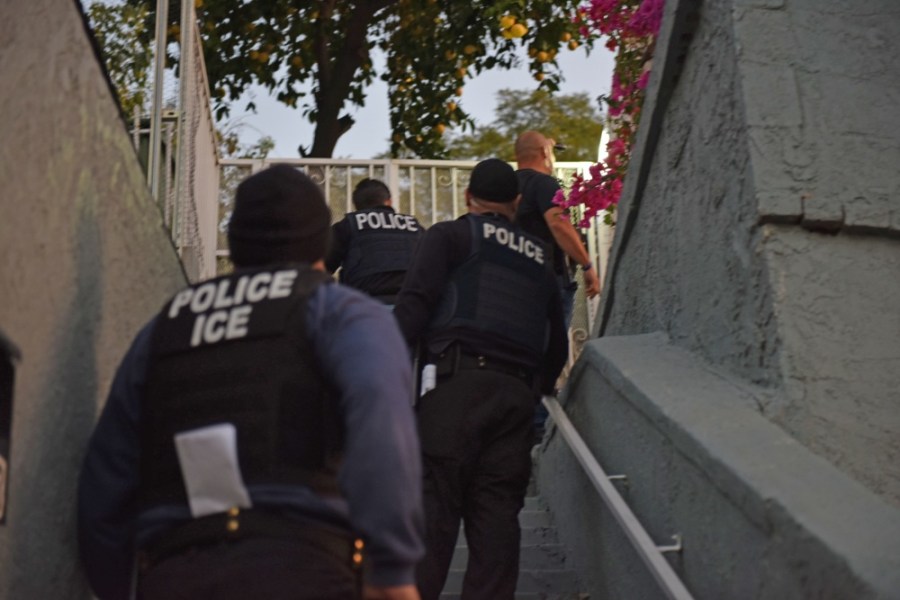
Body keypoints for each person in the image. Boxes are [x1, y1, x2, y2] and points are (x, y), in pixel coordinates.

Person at [78, 165, 424, 600]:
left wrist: (118, 587)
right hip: (306, 567)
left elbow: (105, 480)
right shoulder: (341, 313)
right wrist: (391, 571)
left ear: (236, 243)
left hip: (173, 571)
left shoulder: (166, 327)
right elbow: (382, 426)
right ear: (322, 244)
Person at [393, 158, 568, 600]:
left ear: (469, 196)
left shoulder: (450, 236)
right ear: (517, 201)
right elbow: (557, 347)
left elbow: (413, 307)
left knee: (432, 522)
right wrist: (534, 391)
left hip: (454, 389)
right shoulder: (540, 257)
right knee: (497, 528)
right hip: (514, 400)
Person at [514, 130, 601, 326]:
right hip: (546, 283)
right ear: (544, 152)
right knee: (551, 342)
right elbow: (558, 224)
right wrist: (587, 265)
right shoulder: (544, 183)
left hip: (514, 282)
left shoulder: (506, 186)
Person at [326, 178, 425, 305]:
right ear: (389, 202)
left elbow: (321, 267)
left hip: (363, 306)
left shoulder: (349, 225)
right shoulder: (415, 226)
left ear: (357, 206)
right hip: (412, 306)